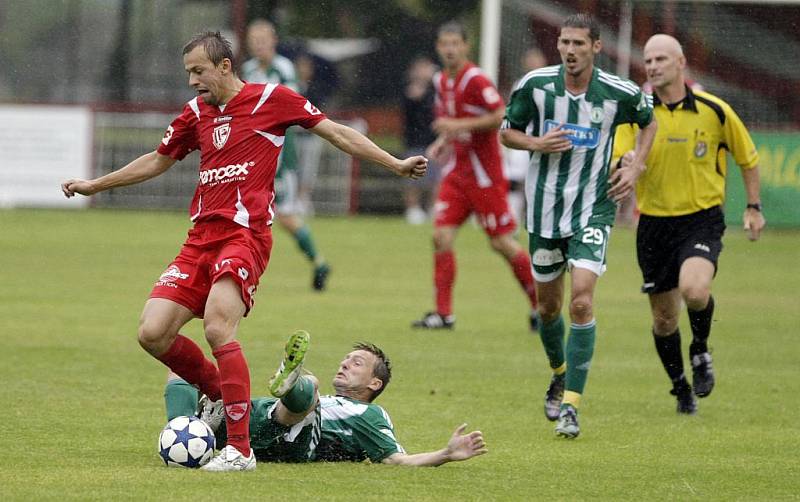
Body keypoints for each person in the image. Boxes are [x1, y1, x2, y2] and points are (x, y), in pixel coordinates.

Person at [61, 31, 426, 471]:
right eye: (188, 73)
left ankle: (240, 449)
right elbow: (157, 159)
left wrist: (395, 162)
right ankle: (219, 395)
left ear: (224, 66)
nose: (193, 81)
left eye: (199, 71)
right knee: (152, 332)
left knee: (218, 326)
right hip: (199, 239)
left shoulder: (273, 98)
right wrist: (94, 185)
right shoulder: (195, 113)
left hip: (245, 236)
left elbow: (336, 133)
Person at [500, 13, 657, 438]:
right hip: (545, 211)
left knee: (582, 302)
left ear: (596, 48)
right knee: (548, 307)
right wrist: (536, 142)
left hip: (594, 208)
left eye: (579, 44)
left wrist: (635, 167)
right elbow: (507, 132)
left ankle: (571, 405)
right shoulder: (535, 86)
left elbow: (650, 121)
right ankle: (559, 371)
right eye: (565, 43)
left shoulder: (618, 92)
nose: (570, 51)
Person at [613, 34, 765, 415]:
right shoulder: (637, 114)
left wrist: (753, 206)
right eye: (647, 60)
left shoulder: (714, 110)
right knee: (664, 319)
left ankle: (700, 348)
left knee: (694, 291)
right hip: (653, 224)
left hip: (701, 219)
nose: (652, 66)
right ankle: (680, 386)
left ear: (681, 62)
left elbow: (748, 157)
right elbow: (617, 161)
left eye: (661, 59)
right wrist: (624, 164)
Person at [165, 331, 488, 466]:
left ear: (374, 383)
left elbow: (396, 460)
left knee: (311, 389)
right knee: (180, 368)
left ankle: (290, 384)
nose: (345, 363)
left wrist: (445, 453)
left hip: (293, 441)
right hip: (251, 417)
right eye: (346, 359)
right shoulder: (336, 399)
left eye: (357, 363)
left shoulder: (371, 416)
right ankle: (184, 432)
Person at [412, 21, 539, 331]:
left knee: (501, 243)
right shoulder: (441, 80)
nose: (450, 49)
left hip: (485, 175)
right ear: (438, 47)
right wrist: (443, 142)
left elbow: (500, 116)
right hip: (458, 173)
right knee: (441, 236)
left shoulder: (476, 79)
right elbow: (452, 122)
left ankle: (540, 305)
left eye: (456, 43)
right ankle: (443, 314)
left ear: (466, 46)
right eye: (445, 44)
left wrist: (454, 128)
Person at [241, 19, 330, 291]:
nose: (258, 44)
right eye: (254, 40)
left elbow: (291, 107)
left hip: (279, 156)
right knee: (245, 213)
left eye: (263, 39)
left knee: (286, 217)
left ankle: (319, 262)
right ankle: (241, 268)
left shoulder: (284, 69)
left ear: (273, 40)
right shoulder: (247, 70)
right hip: (251, 155)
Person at [504, 48, 549, 229]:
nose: (533, 63)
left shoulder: (551, 84)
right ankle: (512, 221)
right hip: (522, 138)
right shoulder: (520, 84)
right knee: (514, 181)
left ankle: (539, 221)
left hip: (545, 140)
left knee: (541, 183)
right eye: (530, 59)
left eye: (536, 59)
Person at [402, 56, 439, 225]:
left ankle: (434, 208)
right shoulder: (409, 91)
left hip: (434, 141)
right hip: (414, 141)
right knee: (413, 177)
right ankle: (413, 209)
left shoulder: (437, 91)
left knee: (435, 178)